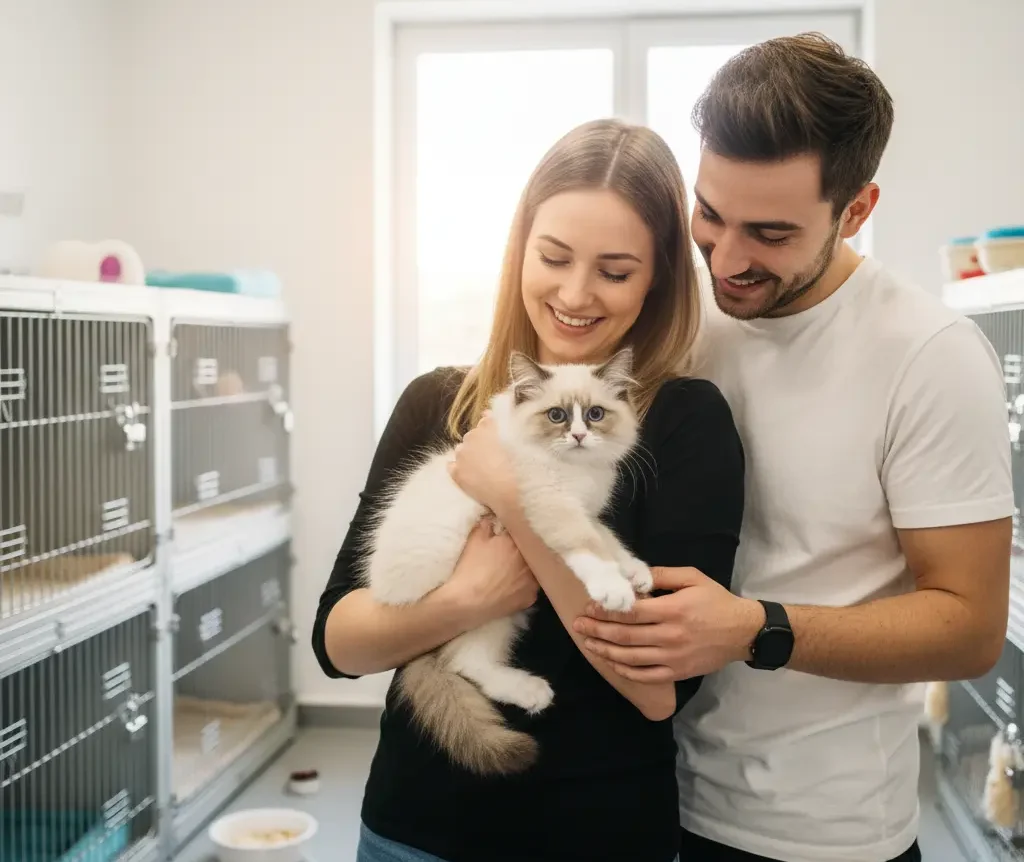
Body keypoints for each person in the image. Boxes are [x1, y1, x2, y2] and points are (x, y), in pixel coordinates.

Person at [573, 33, 1013, 862]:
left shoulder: (930, 356)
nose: (728, 260)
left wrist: (754, 629)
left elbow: (969, 627)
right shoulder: (680, 317)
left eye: (771, 233)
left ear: (856, 211)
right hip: (641, 797)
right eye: (710, 214)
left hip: (818, 836)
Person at [311, 118, 745, 862]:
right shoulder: (437, 402)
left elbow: (656, 692)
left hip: (600, 833)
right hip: (416, 828)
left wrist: (512, 499)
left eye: (615, 271)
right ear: (521, 251)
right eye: (554, 257)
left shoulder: (684, 421)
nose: (576, 294)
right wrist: (465, 601)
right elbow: (339, 643)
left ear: (658, 277)